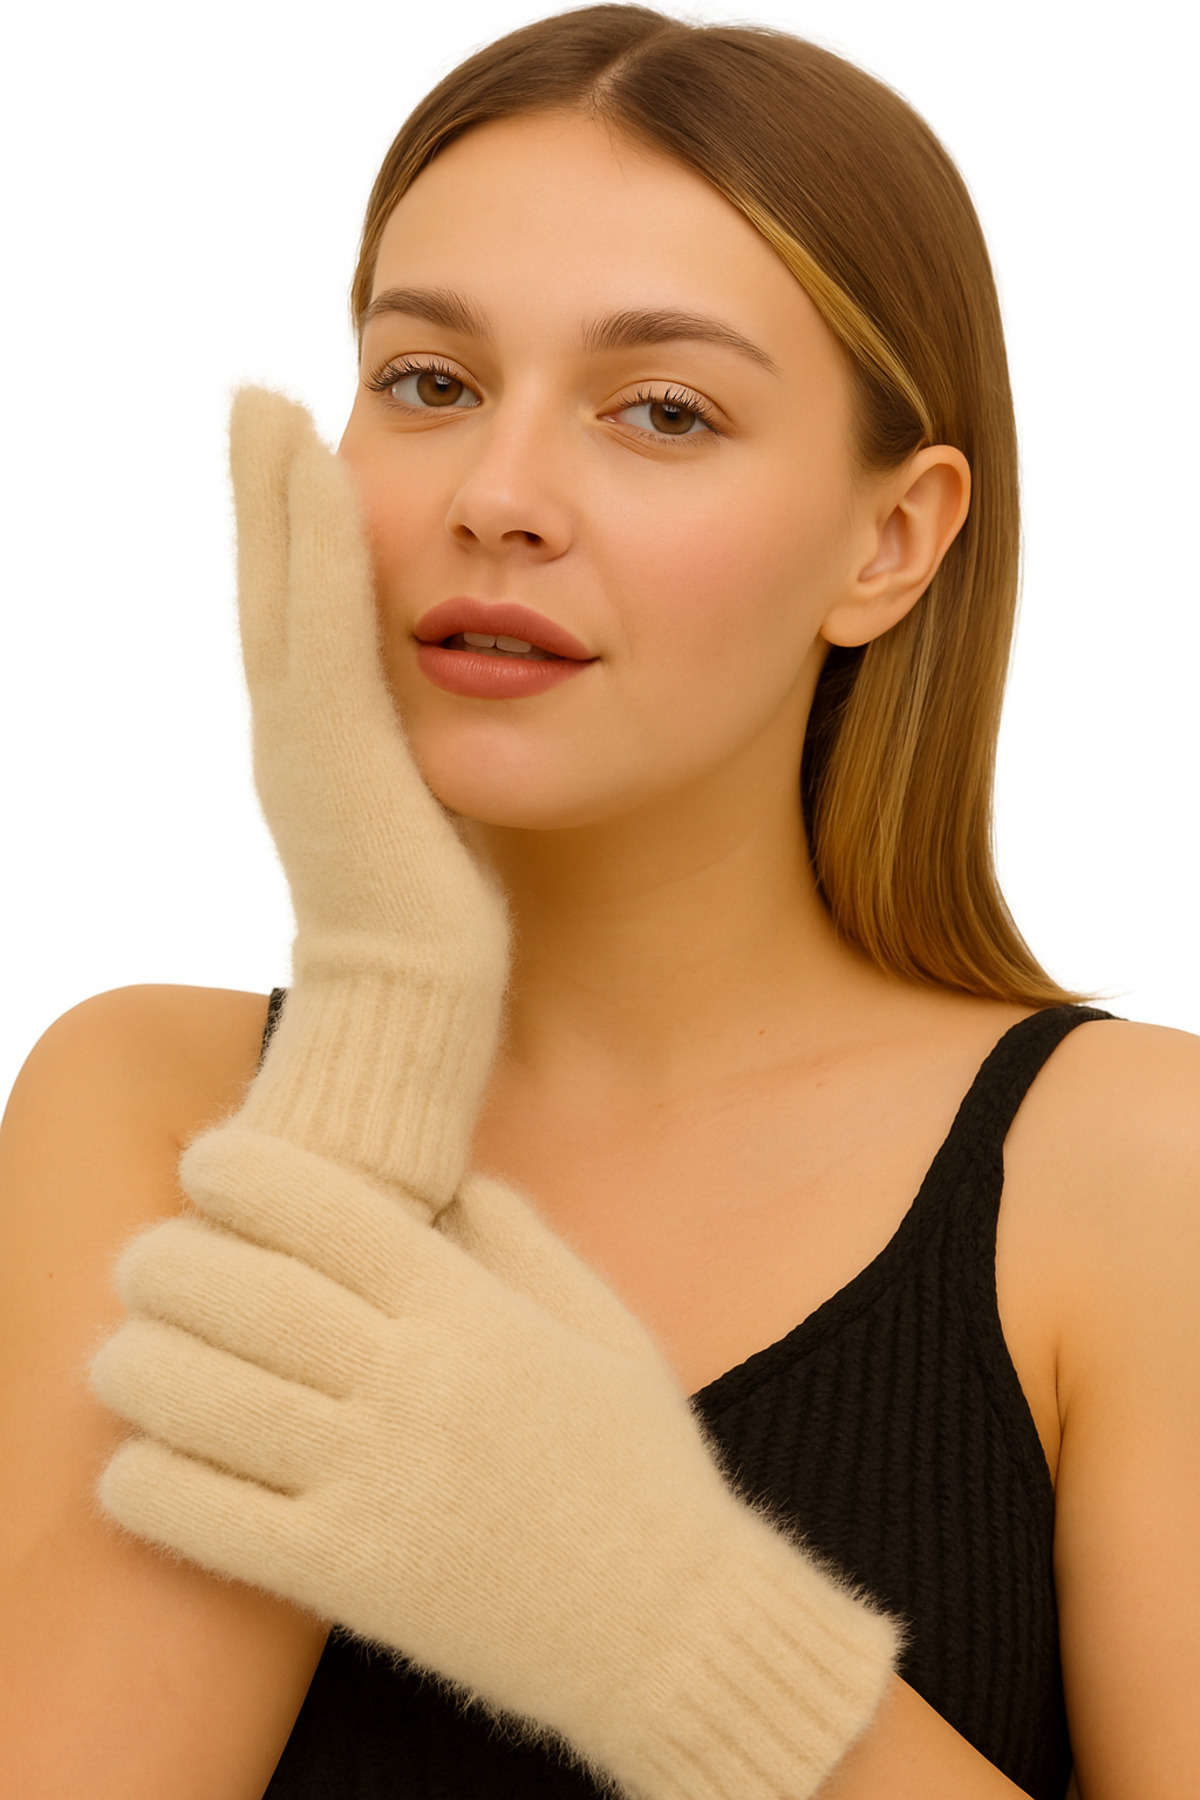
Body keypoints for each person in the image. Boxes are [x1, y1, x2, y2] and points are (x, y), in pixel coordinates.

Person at [1, 6, 1197, 1797]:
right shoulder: (146, 1097)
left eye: (663, 411)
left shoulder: (1139, 1168)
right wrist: (380, 1018)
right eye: (429, 383)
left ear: (890, 542)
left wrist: (662, 1619)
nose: (499, 497)